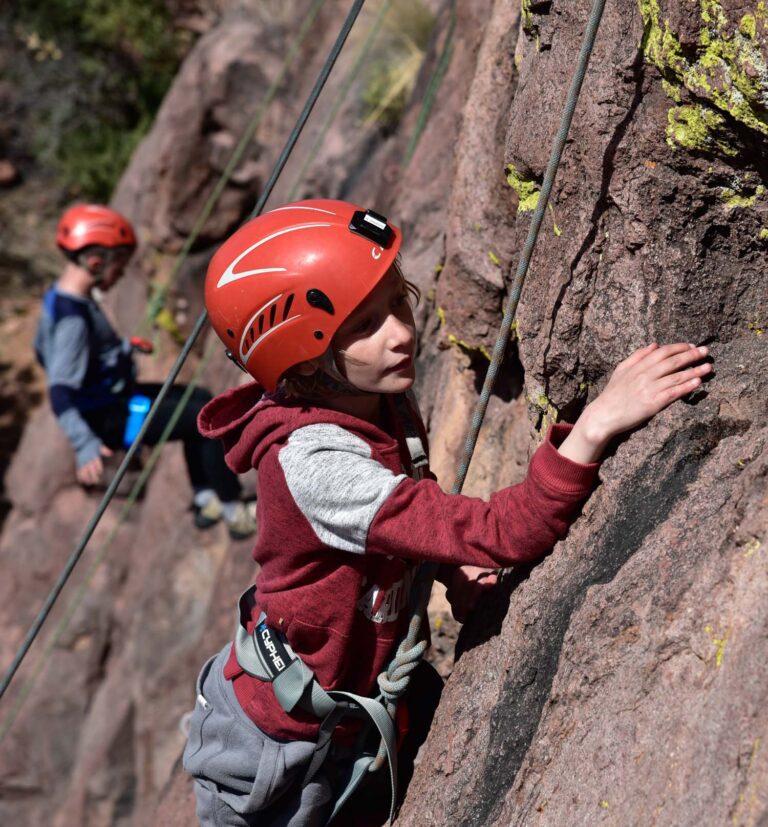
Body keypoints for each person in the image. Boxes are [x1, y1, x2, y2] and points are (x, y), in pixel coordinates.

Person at [182, 199, 713, 826]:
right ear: (303, 355)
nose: (401, 333)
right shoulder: (316, 464)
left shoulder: (377, 400)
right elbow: (494, 532)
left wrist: (447, 569)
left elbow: (409, 500)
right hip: (287, 753)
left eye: (395, 303)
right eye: (365, 325)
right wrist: (593, 428)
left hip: (355, 706)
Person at [34, 203, 256, 540]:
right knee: (205, 420)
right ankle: (233, 510)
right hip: (115, 418)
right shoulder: (73, 320)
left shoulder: (60, 298)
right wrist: (84, 444)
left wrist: (121, 350)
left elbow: (48, 353)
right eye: (119, 266)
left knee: (201, 400)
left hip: (118, 399)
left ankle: (204, 496)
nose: (121, 274)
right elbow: (60, 389)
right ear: (96, 262)